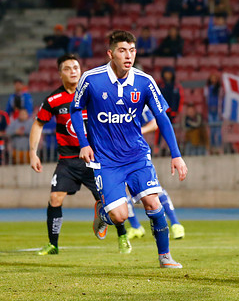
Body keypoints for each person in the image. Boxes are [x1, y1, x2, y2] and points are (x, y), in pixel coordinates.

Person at [70, 30, 188, 268]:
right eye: (122, 50)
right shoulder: (91, 79)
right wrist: (83, 143)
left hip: (137, 156)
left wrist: (176, 154)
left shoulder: (145, 81)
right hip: (106, 160)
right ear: (110, 53)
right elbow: (75, 109)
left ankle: (164, 256)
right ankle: (103, 213)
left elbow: (162, 118)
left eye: (132, 50)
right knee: (120, 216)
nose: (128, 56)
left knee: (153, 203)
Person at [30, 54, 131, 255]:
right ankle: (53, 245)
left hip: (95, 158)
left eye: (76, 67)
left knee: (110, 201)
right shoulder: (53, 99)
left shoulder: (93, 93)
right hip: (68, 160)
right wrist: (33, 152)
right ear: (60, 74)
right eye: (67, 68)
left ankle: (122, 236)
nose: (73, 71)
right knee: (55, 198)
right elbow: (38, 123)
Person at [126, 106, 185, 240]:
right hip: (115, 153)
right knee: (121, 193)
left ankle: (176, 224)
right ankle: (135, 227)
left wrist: (138, 131)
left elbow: (154, 124)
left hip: (137, 152)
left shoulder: (138, 98)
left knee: (153, 189)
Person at [205, 73, 223, 153]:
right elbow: (206, 99)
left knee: (218, 131)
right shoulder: (207, 88)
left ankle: (219, 147)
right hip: (210, 110)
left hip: (217, 111)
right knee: (211, 131)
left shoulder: (220, 89)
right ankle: (212, 148)